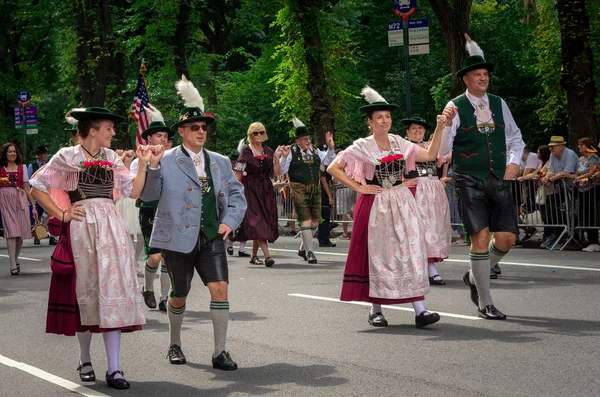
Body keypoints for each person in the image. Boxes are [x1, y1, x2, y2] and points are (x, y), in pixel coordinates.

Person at [30, 106, 156, 389]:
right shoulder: (67, 156)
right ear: (92, 130)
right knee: (84, 292)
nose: (113, 133)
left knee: (112, 291)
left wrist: (144, 164)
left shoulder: (111, 157)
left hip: (111, 228)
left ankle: (115, 369)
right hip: (82, 229)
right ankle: (85, 359)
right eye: (108, 128)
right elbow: (36, 185)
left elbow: (133, 192)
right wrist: (60, 214)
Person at [141, 76, 246, 369]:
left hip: (211, 235)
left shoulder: (220, 161)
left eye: (204, 127)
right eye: (195, 128)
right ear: (182, 131)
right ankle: (174, 343)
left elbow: (238, 196)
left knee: (220, 288)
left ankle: (219, 351)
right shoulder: (166, 158)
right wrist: (150, 166)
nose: (201, 131)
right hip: (176, 237)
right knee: (179, 294)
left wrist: (230, 221)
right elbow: (148, 196)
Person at [328, 86, 454, 328]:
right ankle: (376, 310)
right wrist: (359, 187)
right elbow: (334, 167)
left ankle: (421, 310)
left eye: (387, 116)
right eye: (379, 117)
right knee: (378, 254)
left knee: (410, 251)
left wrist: (439, 127)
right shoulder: (362, 146)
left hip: (402, 202)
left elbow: (429, 155)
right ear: (370, 122)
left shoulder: (399, 142)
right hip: (375, 203)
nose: (385, 120)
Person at [439, 36, 525, 320]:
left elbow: (516, 139)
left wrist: (513, 163)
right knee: (480, 236)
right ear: (465, 79)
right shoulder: (454, 106)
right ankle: (485, 301)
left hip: (497, 178)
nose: (483, 78)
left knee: (507, 238)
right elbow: (442, 151)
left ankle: (475, 275)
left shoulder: (500, 103)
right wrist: (446, 125)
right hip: (467, 178)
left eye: (486, 74)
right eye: (477, 74)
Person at [131, 105, 174, 312]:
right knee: (155, 256)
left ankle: (166, 297)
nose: (163, 139)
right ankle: (148, 289)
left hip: (170, 211)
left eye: (166, 136)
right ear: (150, 139)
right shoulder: (141, 159)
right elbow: (137, 187)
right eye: (159, 135)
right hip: (149, 209)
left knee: (168, 257)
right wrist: (148, 165)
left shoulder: (175, 158)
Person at [402, 116, 452, 285]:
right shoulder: (405, 148)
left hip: (433, 190)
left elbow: (444, 158)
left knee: (434, 228)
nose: (417, 131)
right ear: (408, 132)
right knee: (420, 229)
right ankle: (426, 269)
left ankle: (428, 267)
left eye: (420, 129)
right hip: (417, 190)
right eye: (414, 129)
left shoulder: (431, 147)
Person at [278, 117, 335, 264]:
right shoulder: (291, 151)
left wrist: (331, 148)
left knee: (316, 221)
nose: (308, 141)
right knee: (305, 219)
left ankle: (303, 248)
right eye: (304, 139)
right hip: (298, 187)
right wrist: (283, 158)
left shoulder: (316, 151)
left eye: (309, 138)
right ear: (297, 141)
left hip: (314, 187)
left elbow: (328, 162)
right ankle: (310, 252)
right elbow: (282, 170)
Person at [232, 122, 280, 267]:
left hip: (266, 190)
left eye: (261, 132)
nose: (259, 135)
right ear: (250, 135)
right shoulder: (246, 152)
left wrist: (277, 158)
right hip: (251, 190)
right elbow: (238, 173)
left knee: (264, 223)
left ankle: (253, 256)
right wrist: (233, 192)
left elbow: (276, 173)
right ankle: (268, 256)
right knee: (257, 223)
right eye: (255, 133)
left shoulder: (269, 151)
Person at [0, 143, 37, 275]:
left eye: (14, 151)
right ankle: (12, 264)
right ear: (4, 153)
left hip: (20, 199)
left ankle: (15, 260)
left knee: (20, 231)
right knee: (11, 231)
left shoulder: (23, 167)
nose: (12, 154)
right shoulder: (1, 168)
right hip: (5, 199)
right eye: (9, 152)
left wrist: (33, 206)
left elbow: (27, 188)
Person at [541, 136, 578, 248]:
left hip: (573, 187)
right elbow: (551, 170)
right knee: (548, 210)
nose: (550, 149)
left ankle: (572, 235)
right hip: (560, 187)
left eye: (553, 147)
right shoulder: (553, 155)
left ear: (561, 146)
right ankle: (559, 233)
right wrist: (546, 178)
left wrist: (551, 179)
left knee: (569, 212)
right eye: (550, 147)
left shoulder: (570, 154)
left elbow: (565, 173)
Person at [114, 149, 144, 273]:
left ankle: (135, 260)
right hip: (124, 200)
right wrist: (123, 159)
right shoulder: (118, 163)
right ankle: (128, 262)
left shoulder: (136, 163)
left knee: (141, 232)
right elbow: (122, 179)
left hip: (137, 199)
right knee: (127, 233)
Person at [573, 138, 600, 252]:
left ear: (587, 146)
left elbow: (592, 171)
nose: (579, 147)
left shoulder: (593, 157)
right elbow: (577, 172)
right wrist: (576, 178)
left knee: (591, 214)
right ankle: (589, 240)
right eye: (579, 145)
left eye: (582, 145)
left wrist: (578, 178)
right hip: (582, 189)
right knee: (584, 214)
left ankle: (594, 242)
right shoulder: (580, 159)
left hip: (592, 188)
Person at [28, 145, 57, 245]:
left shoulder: (48, 165)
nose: (45, 155)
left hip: (47, 192)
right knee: (38, 215)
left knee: (49, 214)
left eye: (45, 154)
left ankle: (52, 236)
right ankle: (37, 235)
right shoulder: (32, 166)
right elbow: (29, 181)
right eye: (43, 154)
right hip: (36, 193)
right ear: (39, 155)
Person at [225, 150, 249, 257]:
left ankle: (242, 249)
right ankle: (229, 244)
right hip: (230, 198)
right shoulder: (225, 170)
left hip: (245, 196)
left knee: (246, 223)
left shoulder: (244, 168)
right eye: (232, 162)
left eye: (236, 162)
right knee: (231, 221)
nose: (234, 164)